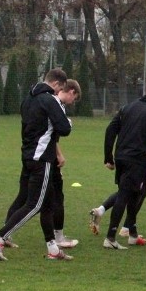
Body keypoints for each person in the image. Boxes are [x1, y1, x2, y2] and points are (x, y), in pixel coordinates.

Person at [0, 68, 73, 262]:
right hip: (42, 159)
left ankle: (53, 248)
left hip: (27, 155)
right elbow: (64, 129)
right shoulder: (50, 100)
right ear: (58, 85)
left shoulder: (28, 99)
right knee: (35, 205)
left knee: (48, 204)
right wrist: (69, 121)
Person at [89, 81, 146, 236]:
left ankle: (131, 231)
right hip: (137, 159)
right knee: (129, 193)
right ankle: (113, 235)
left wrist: (108, 157)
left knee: (134, 192)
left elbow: (110, 130)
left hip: (121, 156)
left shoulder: (127, 107)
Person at [50, 79, 83, 251]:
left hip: (44, 155)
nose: (73, 102)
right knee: (53, 199)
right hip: (44, 158)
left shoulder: (53, 103)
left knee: (28, 198)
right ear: (71, 92)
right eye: (74, 98)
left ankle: (5, 233)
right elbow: (56, 132)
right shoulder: (55, 105)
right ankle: (58, 238)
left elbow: (51, 135)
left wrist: (59, 154)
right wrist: (58, 155)